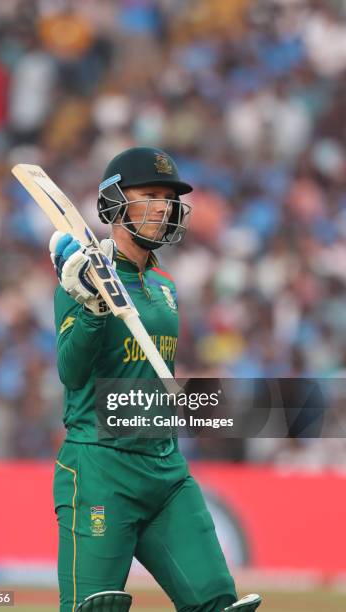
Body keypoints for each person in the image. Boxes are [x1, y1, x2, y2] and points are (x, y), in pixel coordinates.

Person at [49, 146, 262, 612]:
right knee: (92, 608)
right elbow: (71, 372)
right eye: (150, 195)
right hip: (100, 467)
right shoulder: (78, 279)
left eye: (169, 198)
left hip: (166, 469)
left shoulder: (165, 287)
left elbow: (153, 379)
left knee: (219, 604)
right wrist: (92, 307)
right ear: (114, 202)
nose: (164, 206)